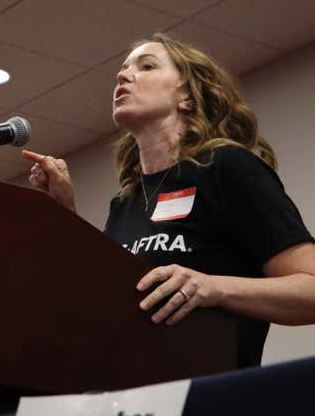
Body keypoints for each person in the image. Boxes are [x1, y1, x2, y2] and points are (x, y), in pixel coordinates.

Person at [22, 33, 315, 368]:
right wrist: (64, 212)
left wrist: (211, 287)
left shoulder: (227, 167)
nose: (123, 75)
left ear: (187, 97)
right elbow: (105, 301)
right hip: (134, 391)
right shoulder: (126, 201)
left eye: (146, 66)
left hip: (212, 394)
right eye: (123, 68)